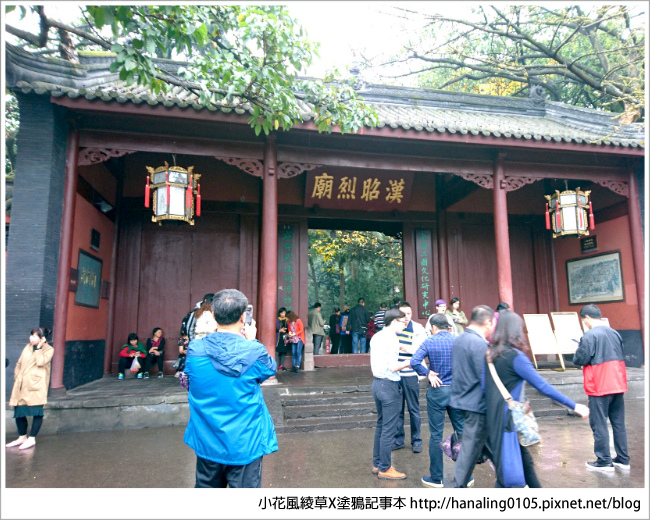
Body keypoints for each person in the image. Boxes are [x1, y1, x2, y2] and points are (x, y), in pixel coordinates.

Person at [183, 289, 278, 487]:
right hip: (244, 443)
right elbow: (270, 368)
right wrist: (251, 340)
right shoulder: (254, 351)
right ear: (244, 317)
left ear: (214, 315)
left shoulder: (195, 350)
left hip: (207, 439)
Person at [484, 310, 590, 487]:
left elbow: (483, 387)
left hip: (492, 418)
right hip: (509, 421)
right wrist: (573, 405)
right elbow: (542, 386)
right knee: (509, 475)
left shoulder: (489, 355)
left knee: (520, 465)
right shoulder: (516, 358)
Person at [573, 304, 630, 472]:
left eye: (584, 320)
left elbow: (580, 359)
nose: (585, 323)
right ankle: (623, 458)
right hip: (617, 383)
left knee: (599, 423)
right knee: (618, 422)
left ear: (588, 318)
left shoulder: (589, 335)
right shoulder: (615, 333)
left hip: (599, 384)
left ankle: (604, 460)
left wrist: (577, 351)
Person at [410, 314, 464, 488]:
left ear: (433, 327)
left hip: (437, 391)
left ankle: (436, 478)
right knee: (462, 432)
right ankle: (465, 476)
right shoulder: (458, 341)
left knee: (435, 436)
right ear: (448, 326)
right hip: (457, 391)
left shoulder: (429, 342)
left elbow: (414, 361)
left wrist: (428, 374)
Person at [450, 305, 496, 487]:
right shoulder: (479, 344)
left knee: (491, 447)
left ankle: (514, 481)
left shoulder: (460, 339)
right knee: (469, 450)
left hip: (463, 400)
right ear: (488, 322)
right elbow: (485, 378)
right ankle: (458, 487)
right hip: (478, 404)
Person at [370, 308, 413, 480]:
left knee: (381, 426)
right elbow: (393, 367)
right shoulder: (392, 338)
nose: (405, 324)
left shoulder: (378, 336)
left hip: (377, 384)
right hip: (389, 386)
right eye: (403, 322)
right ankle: (385, 468)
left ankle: (377, 463)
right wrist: (410, 362)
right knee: (389, 429)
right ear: (394, 321)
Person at [6, 327, 54, 450]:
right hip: (22, 384)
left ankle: (32, 438)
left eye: (34, 336)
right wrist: (18, 376)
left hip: (36, 385)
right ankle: (22, 437)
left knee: (37, 411)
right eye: (31, 335)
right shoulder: (27, 347)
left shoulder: (49, 350)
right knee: (19, 411)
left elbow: (41, 362)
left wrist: (38, 349)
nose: (30, 338)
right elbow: (19, 363)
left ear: (42, 338)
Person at [393, 301, 427, 453]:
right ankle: (399, 440)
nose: (406, 317)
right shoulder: (393, 328)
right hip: (396, 375)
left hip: (411, 374)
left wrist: (403, 347)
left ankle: (416, 440)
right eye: (403, 314)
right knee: (397, 410)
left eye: (409, 314)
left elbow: (421, 350)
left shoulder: (418, 328)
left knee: (414, 409)